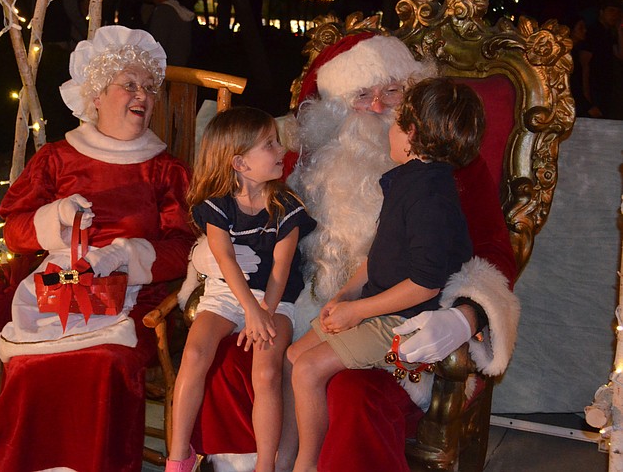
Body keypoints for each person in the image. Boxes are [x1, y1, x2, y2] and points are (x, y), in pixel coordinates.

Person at [189, 32, 519, 472]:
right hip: (313, 307)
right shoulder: (308, 157)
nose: (379, 107)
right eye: (363, 95)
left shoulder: (453, 170)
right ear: (339, 105)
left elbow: (495, 253)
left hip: (405, 324)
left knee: (351, 395)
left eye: (392, 92)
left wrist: (466, 316)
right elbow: (247, 221)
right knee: (238, 360)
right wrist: (219, 260)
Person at [0, 25, 195, 472]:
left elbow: (186, 247)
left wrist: (126, 256)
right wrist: (55, 218)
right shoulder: (56, 157)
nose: (143, 96)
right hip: (55, 292)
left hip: (134, 301)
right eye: (129, 84)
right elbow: (14, 231)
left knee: (107, 361)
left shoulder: (166, 170)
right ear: (95, 96)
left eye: (149, 87)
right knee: (32, 365)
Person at [287, 78, 485, 471]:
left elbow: (425, 283)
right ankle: (288, 457)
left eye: (397, 122)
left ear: (411, 133)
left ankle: (305, 465)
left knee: (309, 369)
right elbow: (378, 257)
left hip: (404, 321)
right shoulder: (407, 181)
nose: (389, 129)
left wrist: (359, 312)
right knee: (294, 355)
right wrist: (344, 295)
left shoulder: (430, 195)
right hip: (377, 308)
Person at [166, 107, 316, 472]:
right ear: (239, 163)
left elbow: (282, 268)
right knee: (195, 353)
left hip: (275, 300)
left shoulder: (287, 206)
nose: (281, 150)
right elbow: (225, 261)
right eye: (269, 144)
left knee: (265, 372)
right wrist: (248, 309)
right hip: (226, 292)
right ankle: (178, 456)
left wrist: (263, 311)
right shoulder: (216, 206)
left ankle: (266, 465)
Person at [580, 0, 623, 119]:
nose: (615, 15)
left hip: (606, 87)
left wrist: (619, 31)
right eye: (611, 11)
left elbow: (620, 54)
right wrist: (587, 100)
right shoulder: (592, 32)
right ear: (602, 12)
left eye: (618, 12)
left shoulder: (608, 33)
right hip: (594, 88)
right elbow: (584, 65)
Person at [147, 0, 195, 66]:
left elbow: (156, 44)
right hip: (181, 65)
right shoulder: (180, 11)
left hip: (166, 68)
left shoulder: (163, 12)